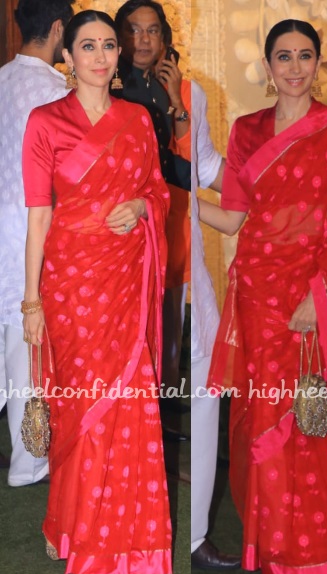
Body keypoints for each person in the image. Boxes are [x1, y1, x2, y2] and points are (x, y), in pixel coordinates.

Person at [200, 19, 327, 574]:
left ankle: (321, 550)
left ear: (318, 62)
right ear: (268, 65)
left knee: (312, 418)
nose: (296, 67)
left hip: (312, 293)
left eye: (306, 55)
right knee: (265, 419)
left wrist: (318, 293)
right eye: (285, 57)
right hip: (258, 293)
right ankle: (275, 548)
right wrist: (175, 198)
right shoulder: (247, 129)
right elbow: (233, 217)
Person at [21, 9, 172, 574]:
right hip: (71, 284)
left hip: (125, 278)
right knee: (82, 406)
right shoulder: (45, 122)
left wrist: (141, 207)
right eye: (88, 46)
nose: (102, 56)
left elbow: (157, 192)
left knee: (127, 401)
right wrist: (31, 301)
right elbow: (39, 217)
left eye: (110, 44)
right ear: (67, 55)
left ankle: (128, 538)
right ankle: (74, 528)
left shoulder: (138, 119)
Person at [0, 0, 73, 488]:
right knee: (29, 349)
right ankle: (30, 462)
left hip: (5, 225)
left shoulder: (2, 79)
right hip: (32, 229)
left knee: (13, 346)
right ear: (58, 29)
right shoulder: (56, 92)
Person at [114, 0, 191, 420]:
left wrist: (176, 97)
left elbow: (179, 147)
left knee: (164, 304)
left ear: (164, 39)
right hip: (124, 218)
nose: (142, 40)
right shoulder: (113, 85)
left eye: (152, 31)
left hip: (160, 209)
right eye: (133, 30)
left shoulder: (163, 83)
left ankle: (157, 401)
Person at [189, 79, 240, 570]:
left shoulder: (190, 95)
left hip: (187, 278)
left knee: (206, 394)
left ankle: (194, 536)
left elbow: (206, 168)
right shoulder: (103, 97)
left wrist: (274, 177)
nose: (143, 43)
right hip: (118, 276)